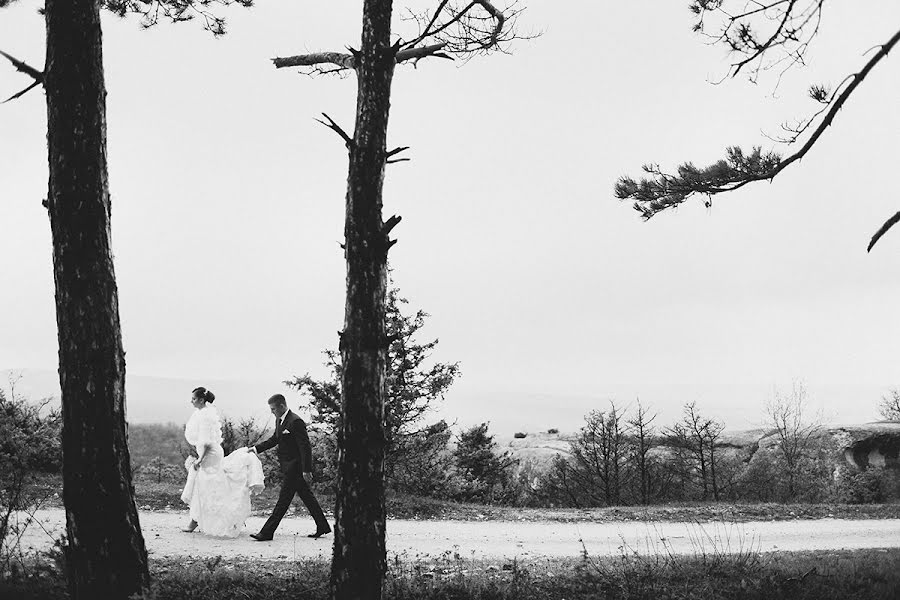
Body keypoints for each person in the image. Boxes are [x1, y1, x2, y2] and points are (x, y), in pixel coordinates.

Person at [180, 386, 265, 537]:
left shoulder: (205, 415)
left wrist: (200, 459)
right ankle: (196, 520)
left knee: (208, 487)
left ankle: (202, 521)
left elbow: (206, 441)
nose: (191, 401)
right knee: (206, 486)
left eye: (193, 399)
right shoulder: (204, 412)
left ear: (200, 400)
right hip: (212, 452)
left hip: (210, 454)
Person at [249, 394, 331, 540]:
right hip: (287, 467)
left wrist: (306, 469)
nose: (272, 412)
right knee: (307, 497)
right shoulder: (279, 420)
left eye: (273, 409)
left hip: (295, 468)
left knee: (283, 501)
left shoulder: (296, 421)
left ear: (281, 406)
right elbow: (275, 439)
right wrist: (255, 449)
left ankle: (267, 532)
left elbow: (305, 447)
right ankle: (323, 526)